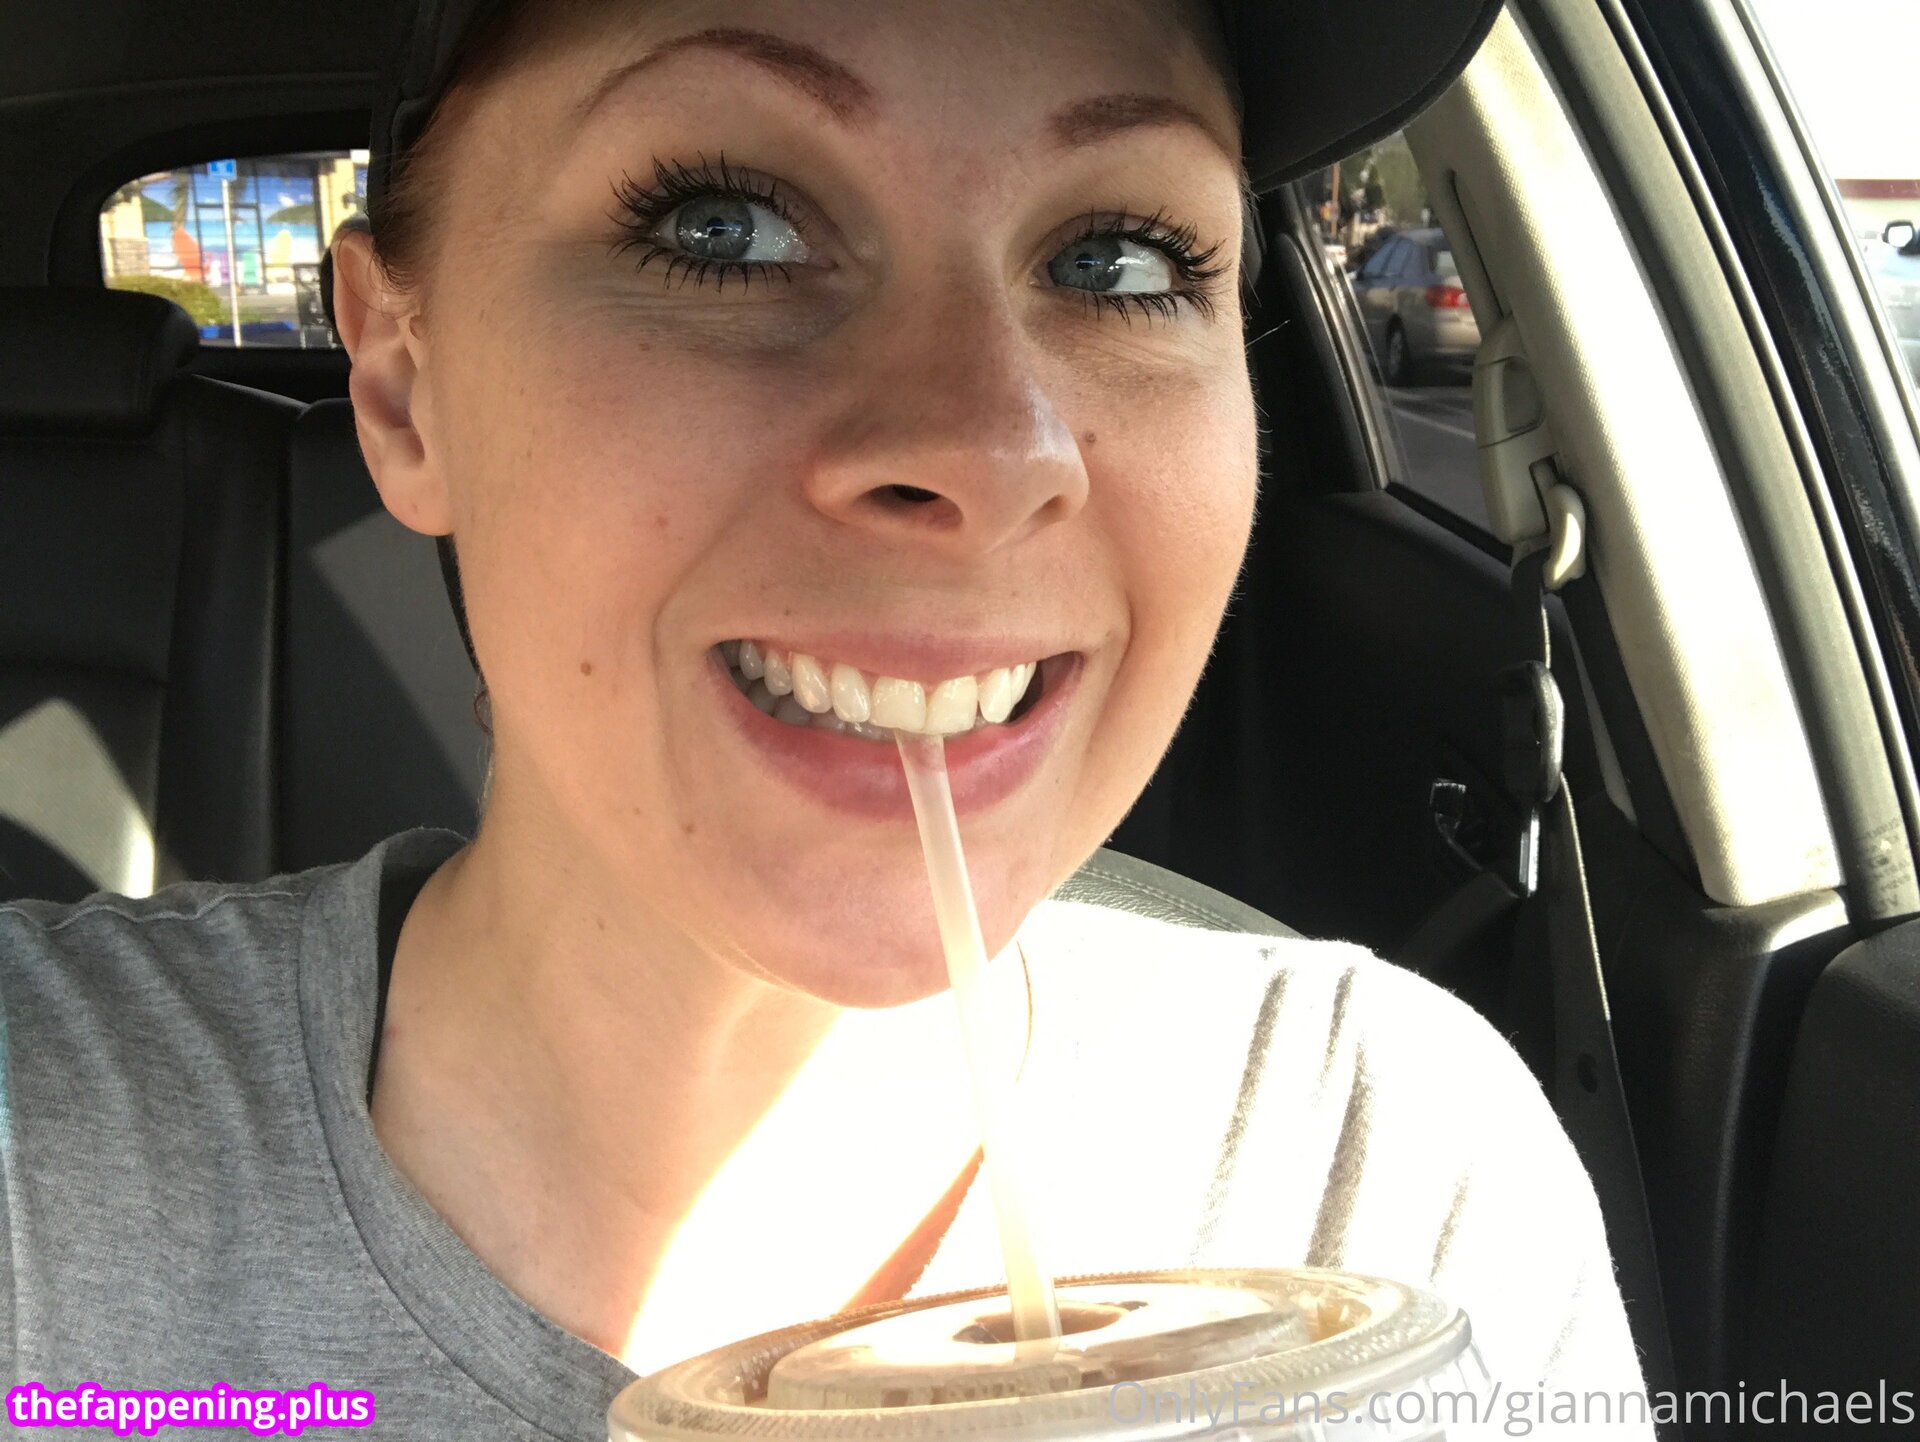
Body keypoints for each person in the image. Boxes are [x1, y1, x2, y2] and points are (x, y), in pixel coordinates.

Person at [0, 1, 1654, 1436]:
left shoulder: (1384, 1173)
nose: (993, 448)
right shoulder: (39, 1180)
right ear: (401, 382)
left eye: (1120, 259)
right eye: (723, 227)